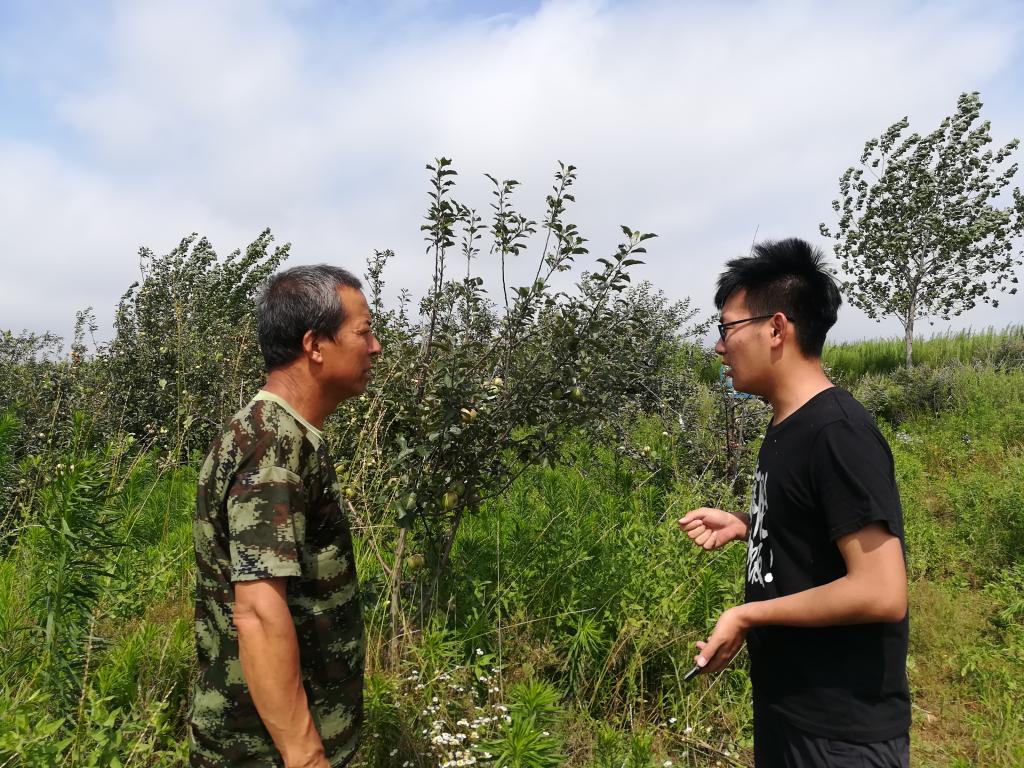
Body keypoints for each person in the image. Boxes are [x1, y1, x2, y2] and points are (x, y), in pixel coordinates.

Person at [678, 239, 910, 767]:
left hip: (839, 730)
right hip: (789, 703)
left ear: (776, 329)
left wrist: (746, 615)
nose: (719, 347)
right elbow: (818, 521)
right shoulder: (788, 424)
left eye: (727, 328)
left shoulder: (838, 432)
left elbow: (881, 591)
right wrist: (747, 523)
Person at [190, 265, 381, 768]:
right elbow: (256, 612)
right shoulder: (272, 446)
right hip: (263, 749)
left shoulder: (278, 435)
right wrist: (304, 752)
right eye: (363, 332)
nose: (376, 347)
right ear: (315, 345)